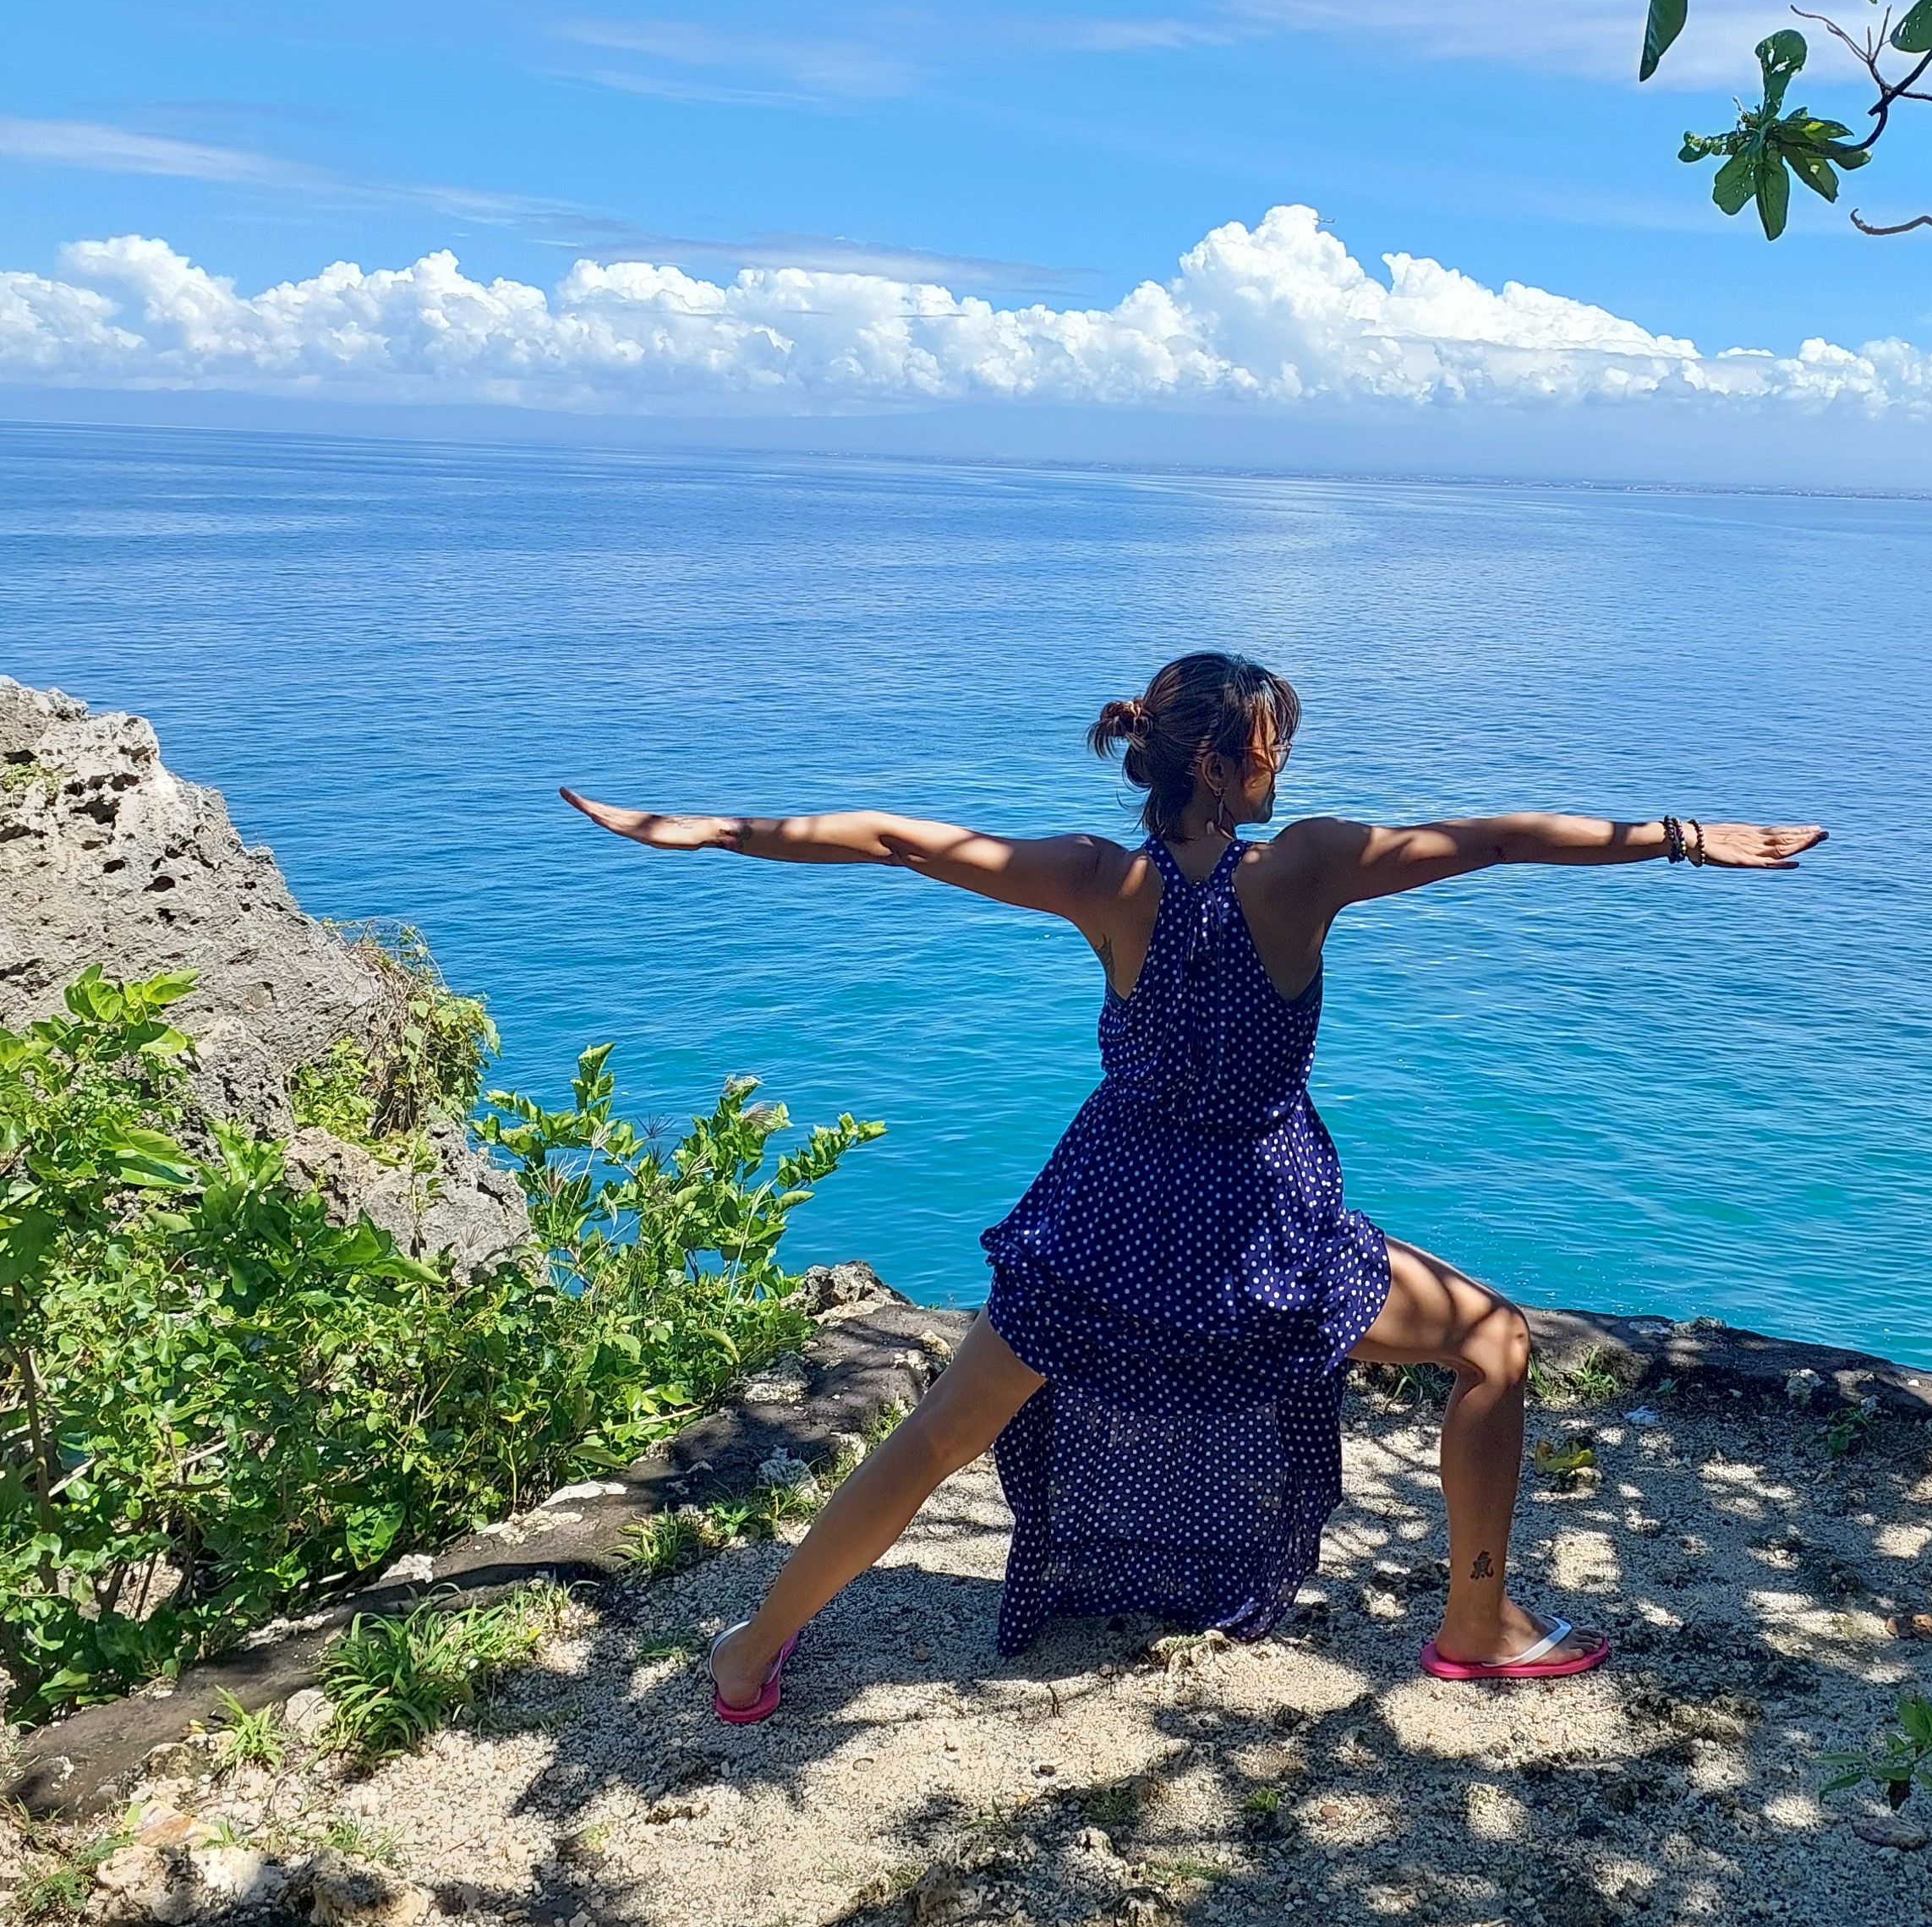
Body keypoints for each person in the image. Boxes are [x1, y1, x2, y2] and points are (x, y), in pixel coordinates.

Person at [561, 652, 1823, 1725]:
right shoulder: (1304, 870)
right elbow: (1492, 839)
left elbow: (895, 840)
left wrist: (707, 828)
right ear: (1216, 764)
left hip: (1105, 1223)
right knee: (1493, 1344)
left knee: (941, 1432)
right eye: (1270, 746)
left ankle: (750, 1651)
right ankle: (1476, 1622)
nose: (1286, 764)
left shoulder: (1096, 879)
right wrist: (1684, 840)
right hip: (1260, 1234)